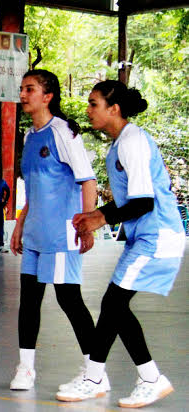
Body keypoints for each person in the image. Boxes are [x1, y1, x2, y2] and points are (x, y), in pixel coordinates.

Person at [55, 81, 185, 408]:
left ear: (114, 108)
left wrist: (100, 217)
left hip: (158, 235)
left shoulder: (133, 141)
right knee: (116, 305)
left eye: (93, 103)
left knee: (113, 304)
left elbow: (143, 202)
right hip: (145, 236)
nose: (88, 110)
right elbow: (132, 201)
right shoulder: (119, 144)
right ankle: (149, 379)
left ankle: (95, 377)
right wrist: (96, 214)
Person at [9, 69, 99, 392]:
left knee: (69, 299)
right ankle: (26, 368)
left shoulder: (64, 132)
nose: (22, 95)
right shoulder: (30, 137)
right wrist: (19, 224)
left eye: (29, 89)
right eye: (21, 89)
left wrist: (87, 224)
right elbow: (33, 190)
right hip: (33, 233)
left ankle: (95, 371)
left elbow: (88, 180)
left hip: (62, 234)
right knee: (29, 300)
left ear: (47, 96)